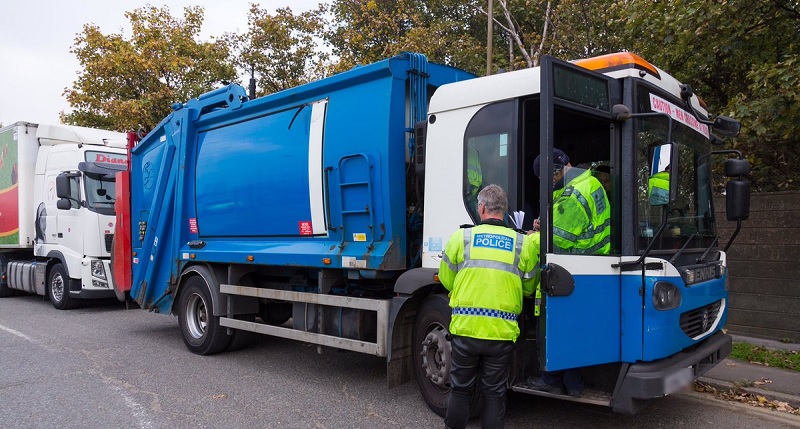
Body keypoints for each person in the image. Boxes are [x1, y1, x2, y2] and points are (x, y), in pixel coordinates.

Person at [439, 184, 540, 429]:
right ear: (504, 211)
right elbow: (529, 287)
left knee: (461, 390)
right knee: (494, 392)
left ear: (481, 208)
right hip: (501, 333)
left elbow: (446, 279)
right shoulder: (522, 244)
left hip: (466, 329)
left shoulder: (460, 238)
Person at [527, 148, 611, 396]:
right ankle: (574, 384)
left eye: (547, 179)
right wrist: (548, 223)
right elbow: (581, 224)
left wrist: (536, 236)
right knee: (577, 327)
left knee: (555, 325)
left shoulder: (572, 195)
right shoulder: (591, 182)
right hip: (595, 262)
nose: (547, 184)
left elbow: (558, 241)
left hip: (575, 264)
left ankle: (552, 381)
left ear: (555, 173)